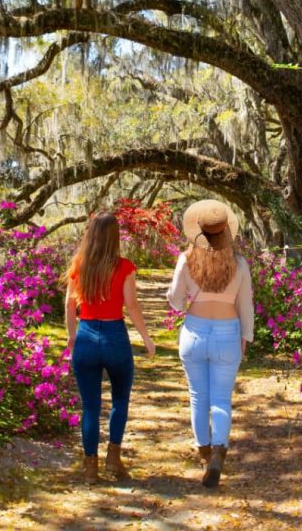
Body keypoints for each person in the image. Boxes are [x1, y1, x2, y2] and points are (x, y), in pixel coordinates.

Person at [166, 199, 254, 487]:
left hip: (194, 332)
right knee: (221, 398)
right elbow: (246, 305)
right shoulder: (239, 263)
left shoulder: (186, 259)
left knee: (197, 397)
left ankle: (205, 455)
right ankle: (218, 452)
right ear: (226, 232)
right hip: (228, 332)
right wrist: (246, 337)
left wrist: (182, 297)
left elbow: (176, 302)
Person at [64, 212, 156, 484]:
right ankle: (113, 460)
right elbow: (132, 306)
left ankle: (90, 467)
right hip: (115, 335)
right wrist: (146, 339)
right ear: (115, 236)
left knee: (90, 406)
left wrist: (72, 336)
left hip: (86, 334)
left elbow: (70, 304)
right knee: (120, 400)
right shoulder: (124, 266)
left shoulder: (79, 265)